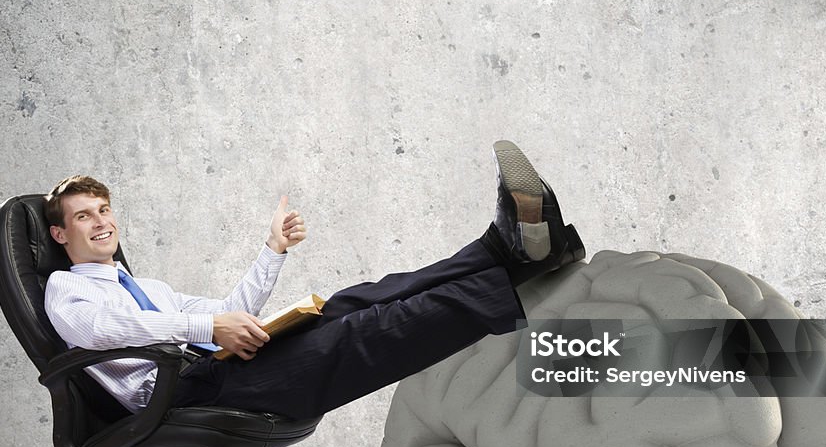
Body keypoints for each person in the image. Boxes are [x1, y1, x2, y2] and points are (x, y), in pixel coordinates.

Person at [43, 141, 584, 421]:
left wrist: (272, 249)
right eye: (84, 216)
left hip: (211, 368)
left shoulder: (151, 289)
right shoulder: (66, 289)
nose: (101, 222)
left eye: (105, 209)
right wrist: (210, 324)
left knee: (354, 301)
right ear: (60, 235)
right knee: (361, 333)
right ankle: (527, 268)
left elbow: (234, 310)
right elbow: (101, 331)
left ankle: (511, 249)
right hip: (174, 394)